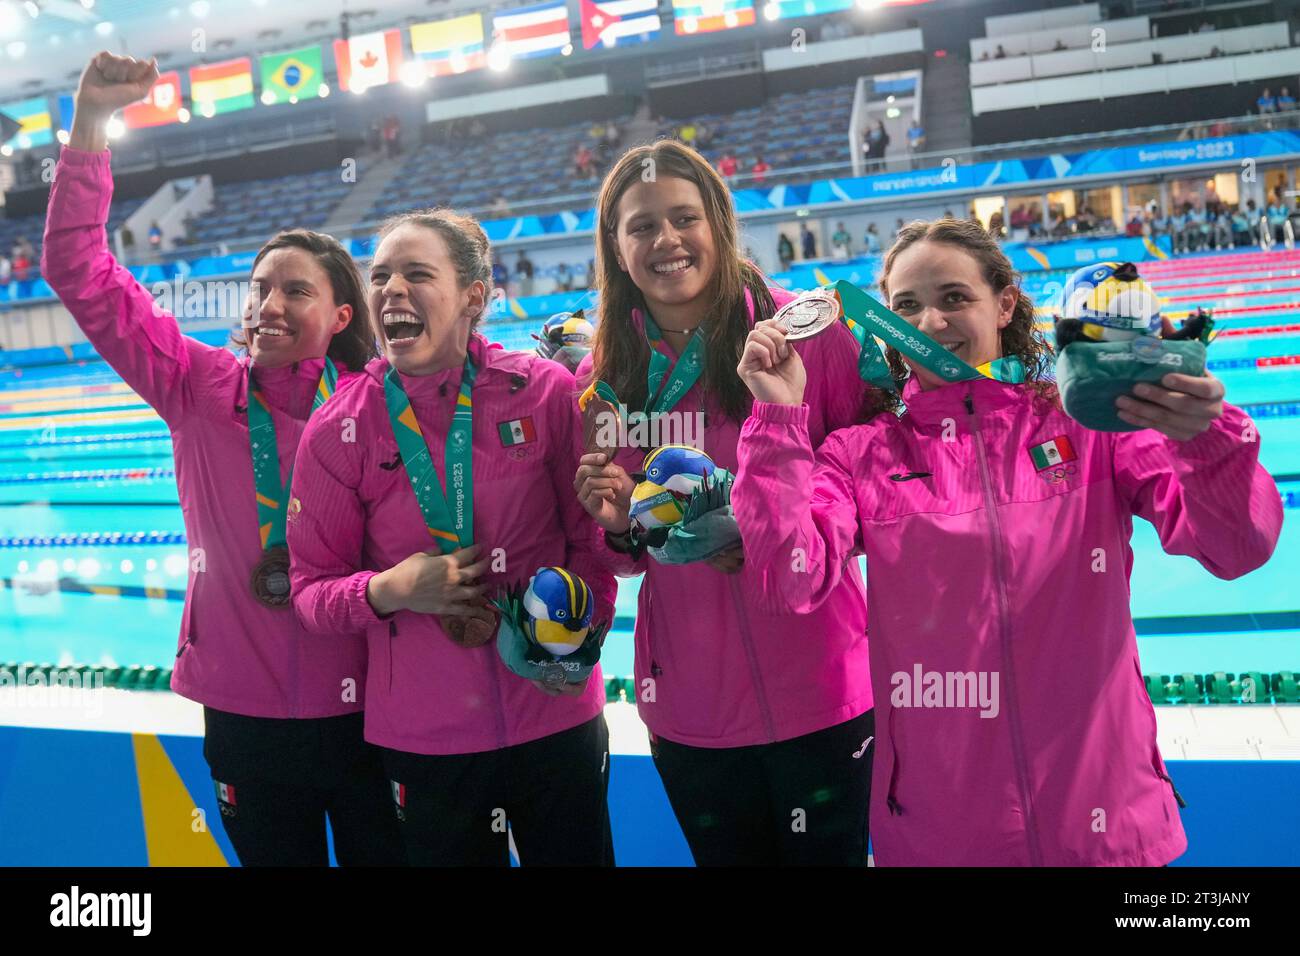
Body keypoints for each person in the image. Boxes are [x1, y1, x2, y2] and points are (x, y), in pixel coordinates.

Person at [732, 218, 1281, 865]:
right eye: (907, 305)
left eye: (954, 298)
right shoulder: (862, 456)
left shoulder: (1087, 426)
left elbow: (1236, 549)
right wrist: (775, 417)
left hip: (1103, 822)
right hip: (943, 832)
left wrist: (1206, 438)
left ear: (1005, 304)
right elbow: (787, 578)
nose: (932, 322)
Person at [42, 52, 403, 867]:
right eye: (259, 288)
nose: (269, 304)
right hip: (243, 718)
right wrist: (91, 126)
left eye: (296, 291)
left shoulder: (380, 404)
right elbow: (78, 271)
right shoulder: (199, 388)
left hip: (370, 711)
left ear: (342, 310)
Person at [572, 140, 879, 865]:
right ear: (617, 249)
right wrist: (618, 530)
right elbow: (616, 558)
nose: (666, 240)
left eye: (685, 217)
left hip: (822, 682)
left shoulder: (814, 334)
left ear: (719, 222)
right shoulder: (603, 375)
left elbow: (871, 482)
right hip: (693, 705)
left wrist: (790, 533)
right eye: (641, 226)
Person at [289, 208, 617, 866]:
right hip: (427, 738)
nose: (391, 291)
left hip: (555, 715)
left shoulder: (543, 392)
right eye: (380, 277)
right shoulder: (339, 428)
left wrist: (583, 629)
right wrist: (392, 588)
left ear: (474, 295)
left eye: (416, 274)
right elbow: (309, 590)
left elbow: (590, 541)